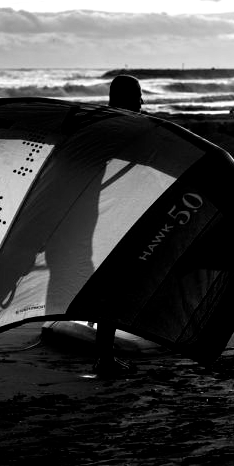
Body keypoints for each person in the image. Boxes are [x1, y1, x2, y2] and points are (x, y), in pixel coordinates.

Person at [90, 74, 143, 377]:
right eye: (137, 95)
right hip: (110, 217)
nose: (142, 101)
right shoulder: (126, 129)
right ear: (122, 98)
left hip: (103, 215)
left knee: (108, 285)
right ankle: (104, 357)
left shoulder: (98, 126)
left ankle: (103, 351)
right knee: (112, 286)